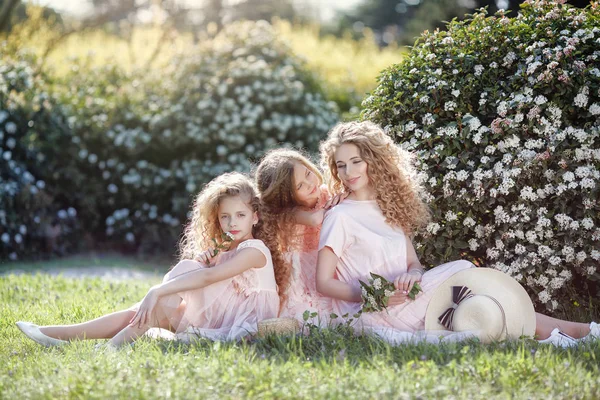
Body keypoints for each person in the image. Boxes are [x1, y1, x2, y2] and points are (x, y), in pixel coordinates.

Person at [316, 121, 598, 346]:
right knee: (463, 270)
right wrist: (375, 296)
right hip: (375, 313)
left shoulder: (385, 209)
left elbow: (413, 264)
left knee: (481, 296)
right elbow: (323, 283)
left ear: (374, 161)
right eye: (340, 165)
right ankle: (578, 331)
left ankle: (570, 333)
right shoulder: (340, 216)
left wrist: (412, 275)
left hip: (407, 301)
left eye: (355, 161)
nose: (347, 172)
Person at [16, 172, 283, 347]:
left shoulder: (254, 250)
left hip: (238, 323)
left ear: (255, 217)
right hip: (221, 314)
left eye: (240, 215)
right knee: (153, 302)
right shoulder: (227, 248)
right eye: (225, 216)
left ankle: (88, 341)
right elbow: (210, 277)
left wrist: (157, 289)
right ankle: (62, 335)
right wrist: (209, 260)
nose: (232, 223)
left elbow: (209, 279)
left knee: (178, 280)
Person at [255, 149, 345, 326]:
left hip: (331, 266)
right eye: (299, 186)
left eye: (308, 174)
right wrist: (340, 202)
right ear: (286, 197)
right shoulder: (289, 212)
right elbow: (315, 219)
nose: (310, 184)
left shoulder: (326, 192)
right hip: (304, 276)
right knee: (314, 318)